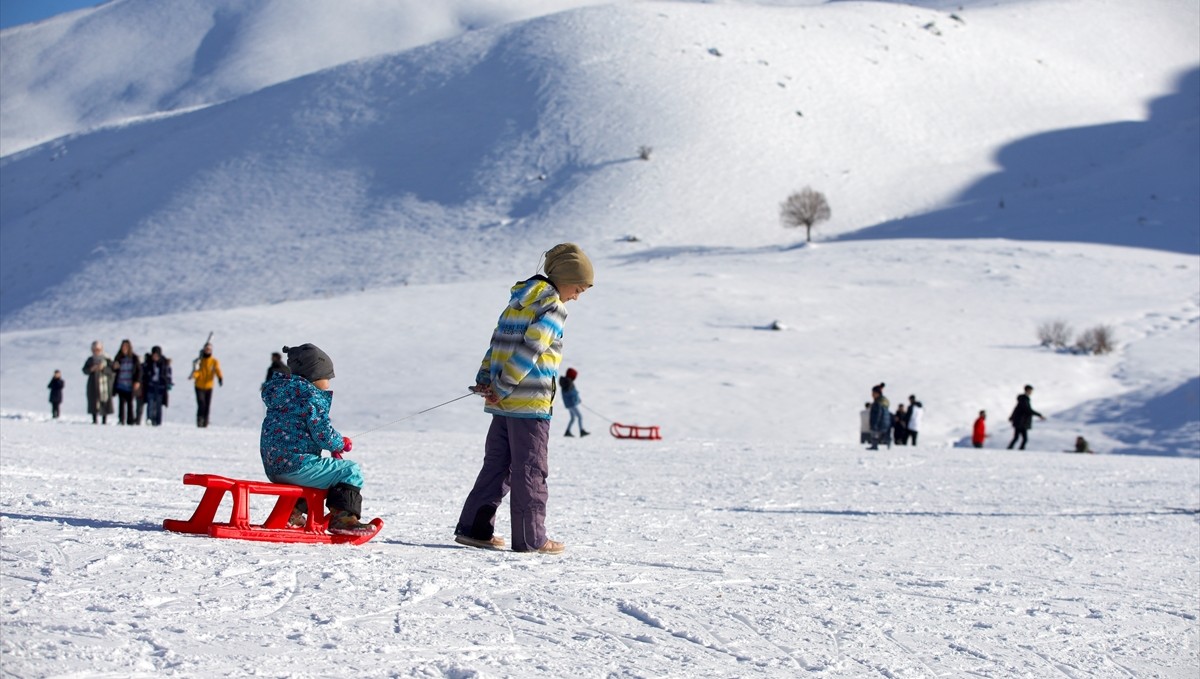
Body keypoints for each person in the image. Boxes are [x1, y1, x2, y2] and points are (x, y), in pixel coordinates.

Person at [454, 243, 593, 555]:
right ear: (565, 278)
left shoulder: (517, 303)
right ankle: (531, 538)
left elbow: (497, 344)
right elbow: (532, 350)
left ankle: (474, 529)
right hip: (529, 404)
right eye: (578, 288)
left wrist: (486, 380)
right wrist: (502, 386)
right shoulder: (553, 307)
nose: (577, 296)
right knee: (530, 468)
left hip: (502, 402)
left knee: (496, 466)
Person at [259, 344, 375, 536]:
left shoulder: (283, 394)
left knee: (318, 474)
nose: (329, 383)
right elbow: (322, 433)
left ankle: (292, 514)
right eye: (327, 377)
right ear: (314, 376)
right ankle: (343, 519)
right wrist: (340, 443)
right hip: (296, 466)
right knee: (349, 470)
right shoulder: (311, 396)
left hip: (275, 467)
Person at [189, 342, 223, 427]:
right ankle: (199, 420)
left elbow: (217, 370)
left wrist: (220, 377)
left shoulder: (214, 361)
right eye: (206, 349)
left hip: (209, 386)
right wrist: (194, 375)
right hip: (199, 385)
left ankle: (205, 422)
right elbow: (197, 371)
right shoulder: (199, 361)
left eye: (209, 349)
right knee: (201, 403)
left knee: (207, 405)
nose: (207, 351)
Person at [82, 341, 114, 424]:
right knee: (94, 401)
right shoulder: (90, 359)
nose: (96, 351)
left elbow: (112, 370)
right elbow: (84, 370)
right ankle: (94, 419)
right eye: (94, 349)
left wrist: (103, 369)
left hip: (105, 385)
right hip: (93, 384)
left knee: (104, 400)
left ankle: (104, 419)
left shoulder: (107, 359)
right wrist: (91, 369)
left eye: (98, 349)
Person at [111, 339, 142, 425]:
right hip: (121, 384)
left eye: (126, 347)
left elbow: (139, 370)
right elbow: (113, 369)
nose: (124, 348)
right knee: (121, 403)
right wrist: (114, 367)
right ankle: (121, 420)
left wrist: (137, 381)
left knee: (130, 403)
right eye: (123, 347)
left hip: (130, 384)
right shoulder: (118, 357)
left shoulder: (134, 358)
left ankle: (130, 420)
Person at [1007, 384, 1045, 450]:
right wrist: (1039, 415)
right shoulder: (1024, 399)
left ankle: (1011, 449)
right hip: (1021, 422)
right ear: (1027, 390)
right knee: (1023, 439)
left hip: (1020, 421)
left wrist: (1012, 417)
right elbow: (1028, 410)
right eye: (1031, 391)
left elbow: (1016, 409)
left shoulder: (1023, 399)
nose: (1031, 392)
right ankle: (1016, 450)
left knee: (1018, 438)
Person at [142, 346, 173, 426]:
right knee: (150, 404)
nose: (155, 357)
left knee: (158, 405)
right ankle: (149, 419)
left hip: (160, 388)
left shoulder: (164, 364)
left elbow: (168, 375)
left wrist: (168, 383)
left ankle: (158, 421)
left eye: (157, 355)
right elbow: (144, 373)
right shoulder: (148, 363)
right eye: (154, 355)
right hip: (151, 386)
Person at [559, 367, 588, 437]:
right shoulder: (568, 382)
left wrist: (577, 398)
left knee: (573, 418)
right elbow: (571, 393)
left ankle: (567, 431)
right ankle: (581, 431)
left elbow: (570, 393)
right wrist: (577, 398)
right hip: (572, 404)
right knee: (580, 416)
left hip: (569, 404)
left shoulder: (566, 382)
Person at [867, 383, 892, 450]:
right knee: (884, 435)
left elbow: (878, 414)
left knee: (875, 433)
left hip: (880, 422)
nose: (872, 395)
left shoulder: (878, 403)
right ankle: (888, 443)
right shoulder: (884, 401)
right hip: (885, 422)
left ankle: (874, 446)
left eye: (873, 393)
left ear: (877, 393)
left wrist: (874, 423)